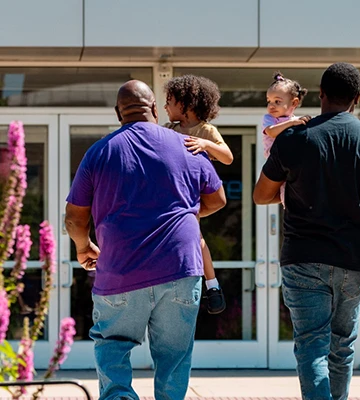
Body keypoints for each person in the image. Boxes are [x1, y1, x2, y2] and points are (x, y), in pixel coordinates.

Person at [64, 80, 226, 400]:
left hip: (121, 271)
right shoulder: (187, 145)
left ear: (118, 113)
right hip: (180, 269)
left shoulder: (100, 152)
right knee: (174, 357)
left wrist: (83, 246)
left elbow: (74, 217)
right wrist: (185, 214)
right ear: (154, 108)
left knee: (113, 349)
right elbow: (217, 199)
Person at [253, 62, 360, 400]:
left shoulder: (293, 138)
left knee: (312, 347)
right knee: (341, 348)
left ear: (320, 95)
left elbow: (261, 195)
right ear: (357, 98)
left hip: (302, 259)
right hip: (352, 261)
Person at [164, 74, 232, 314]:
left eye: (169, 101)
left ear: (186, 104)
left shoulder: (206, 130)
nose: (165, 107)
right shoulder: (168, 130)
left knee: (196, 237)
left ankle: (212, 285)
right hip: (173, 196)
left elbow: (227, 156)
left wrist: (206, 145)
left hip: (195, 196)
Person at [262, 72, 311, 206]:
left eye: (277, 101)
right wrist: (292, 123)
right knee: (282, 185)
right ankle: (287, 205)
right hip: (275, 160)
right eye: (269, 101)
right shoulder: (270, 119)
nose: (271, 106)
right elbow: (271, 132)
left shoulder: (295, 121)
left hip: (290, 160)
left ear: (294, 102)